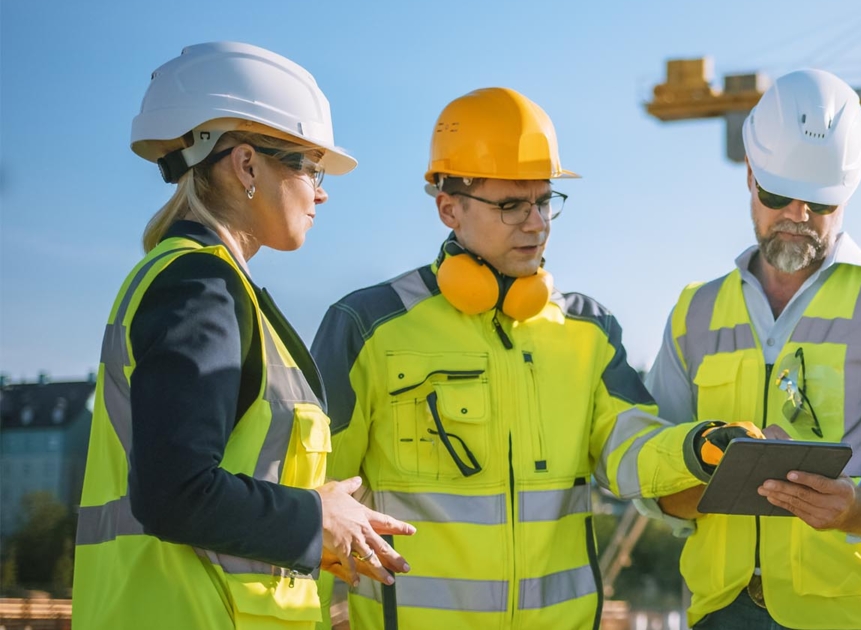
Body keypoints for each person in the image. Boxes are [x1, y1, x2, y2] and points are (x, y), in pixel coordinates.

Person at [310, 87, 739, 629]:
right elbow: (314, 498)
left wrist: (697, 446)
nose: (536, 223)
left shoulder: (589, 332)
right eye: (511, 205)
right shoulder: (367, 326)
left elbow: (629, 448)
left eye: (543, 200)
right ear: (448, 208)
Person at [73, 42, 414, 629]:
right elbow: (175, 493)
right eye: (308, 165)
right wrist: (315, 518)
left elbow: (199, 477)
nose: (322, 190)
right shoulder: (199, 286)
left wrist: (307, 525)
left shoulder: (200, 279)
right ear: (248, 165)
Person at [641, 69, 861, 629]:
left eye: (818, 202)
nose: (796, 215)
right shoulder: (694, 313)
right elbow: (650, 464)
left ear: (848, 192)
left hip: (853, 614)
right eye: (777, 194)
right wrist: (692, 479)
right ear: (749, 175)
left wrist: (855, 507)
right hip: (721, 612)